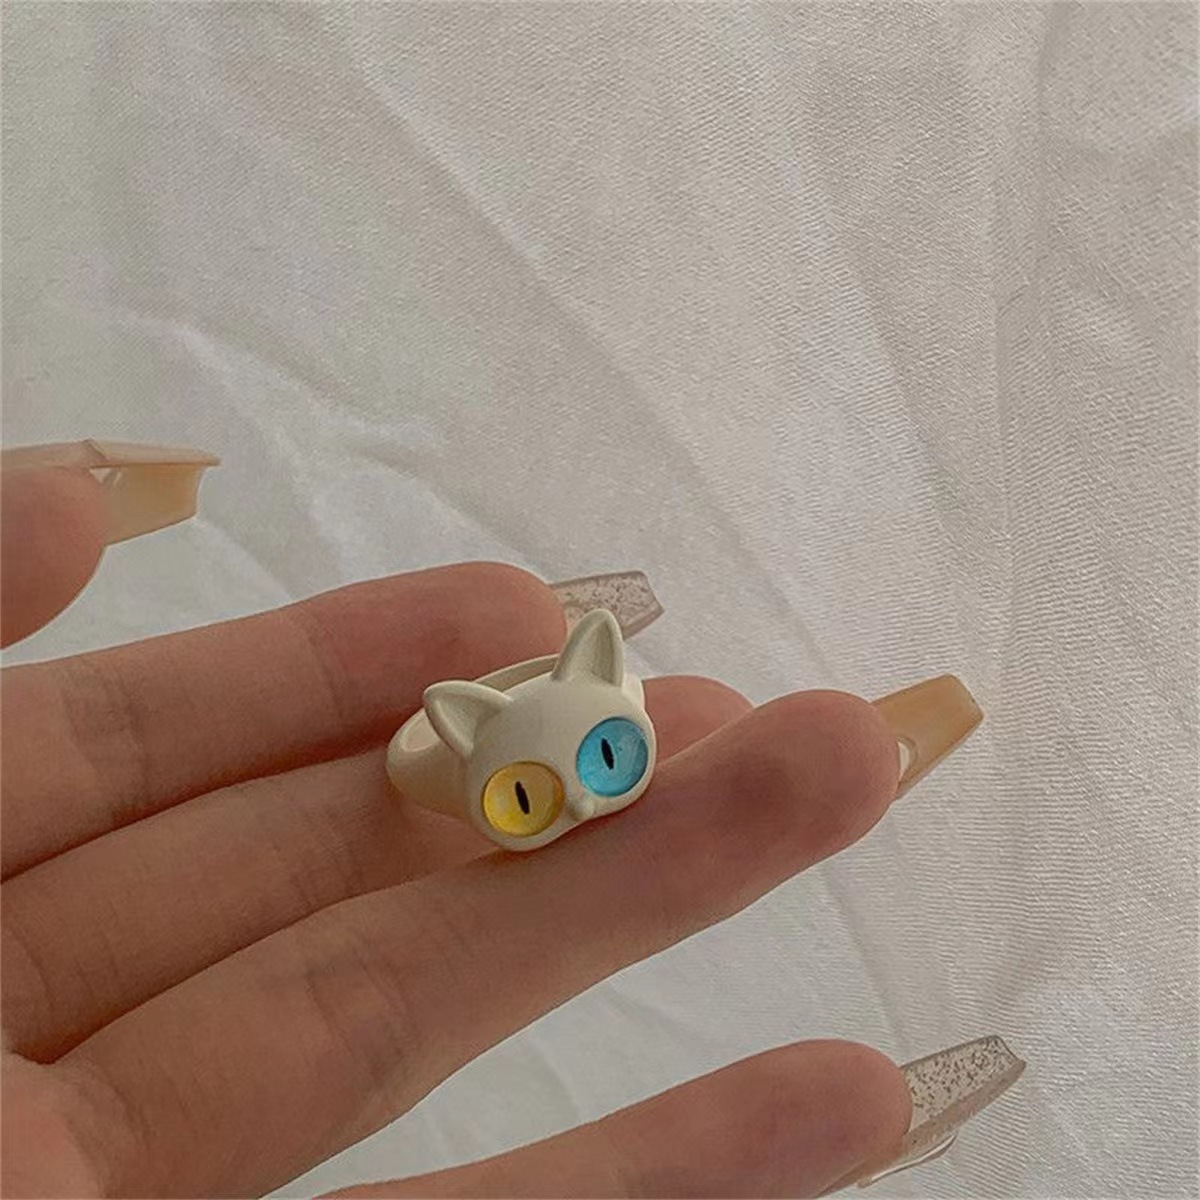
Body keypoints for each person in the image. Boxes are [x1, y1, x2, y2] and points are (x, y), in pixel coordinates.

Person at [1, 451, 914, 1198]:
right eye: (531, 799)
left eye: (608, 760)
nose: (586, 808)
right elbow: (423, 763)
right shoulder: (435, 764)